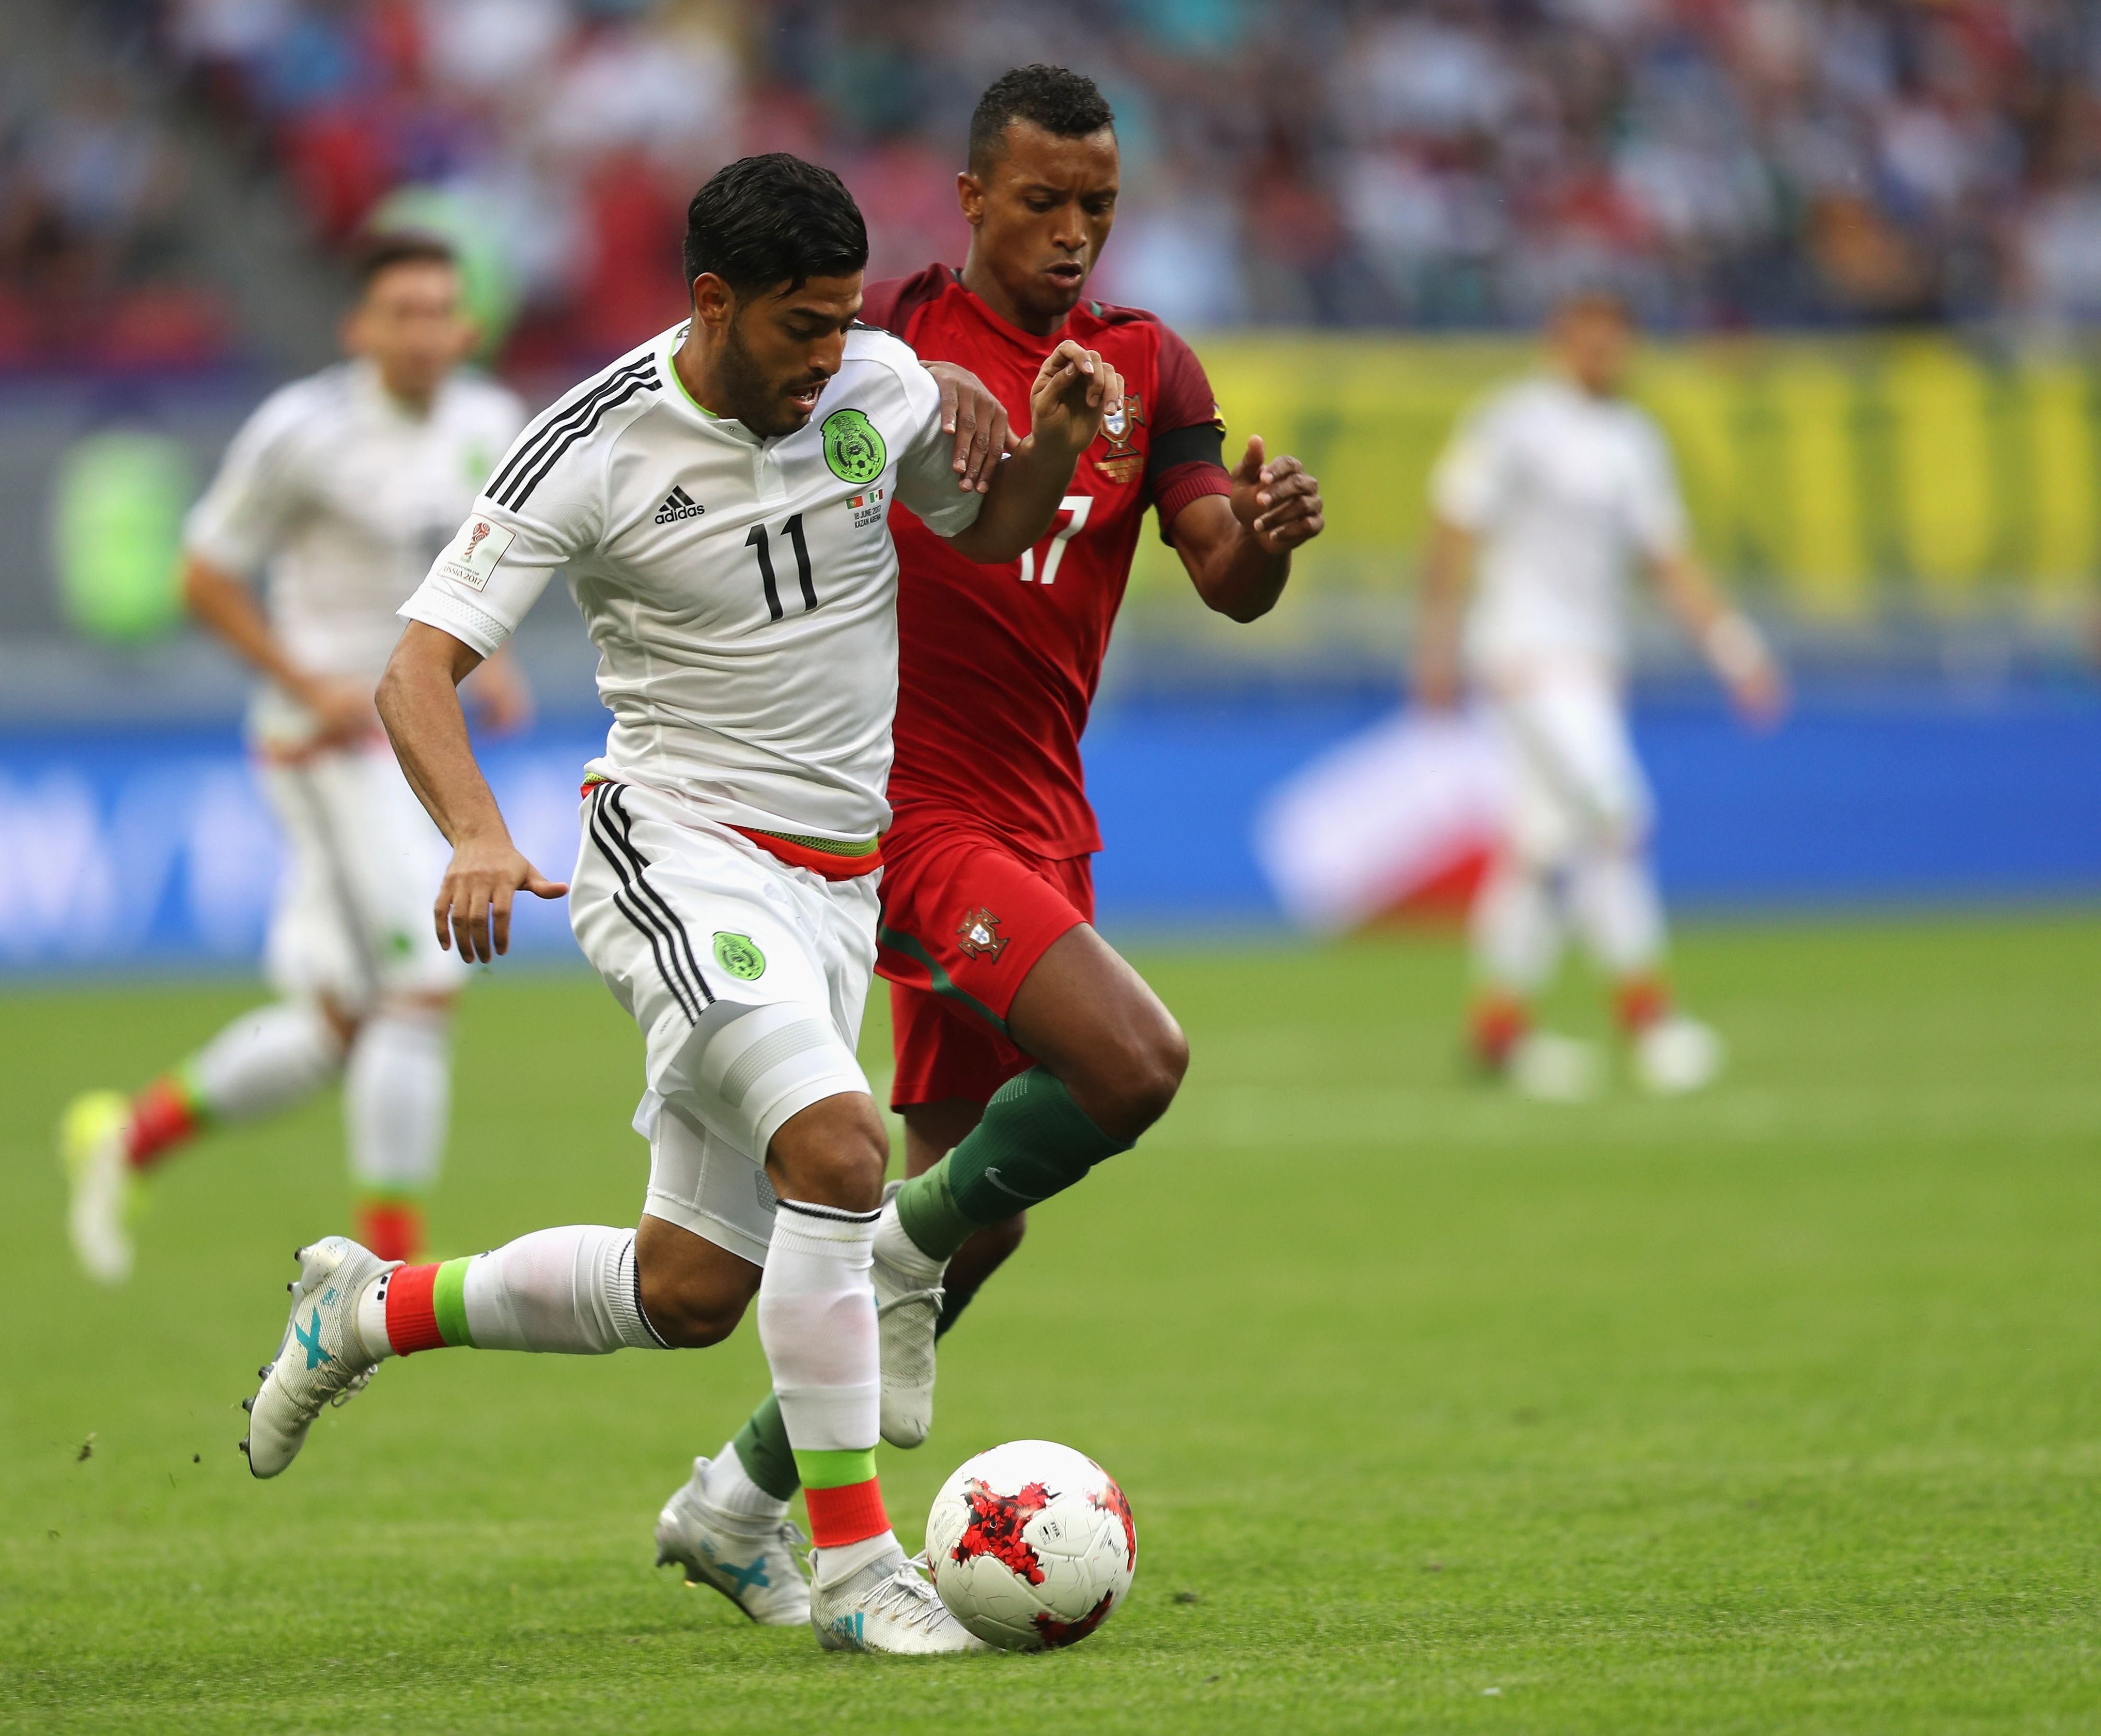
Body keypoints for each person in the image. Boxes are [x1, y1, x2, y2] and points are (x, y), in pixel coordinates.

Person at [236, 152, 1121, 1656]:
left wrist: (1041, 451)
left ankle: (369, 1309)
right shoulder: (585, 445)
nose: (828, 359)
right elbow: (415, 669)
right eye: (798, 329)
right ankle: (854, 1578)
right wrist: (471, 830)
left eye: (846, 322)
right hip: (676, 856)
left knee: (694, 1285)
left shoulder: (876, 387)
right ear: (713, 303)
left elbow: (976, 532)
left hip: (836, 881)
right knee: (843, 1151)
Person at [655, 64, 1327, 1625]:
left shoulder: (1150, 367)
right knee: (1133, 1065)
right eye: (1042, 202)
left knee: (981, 1215)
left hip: (1045, 814)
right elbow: (754, 423)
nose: (1075, 232)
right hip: (911, 810)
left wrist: (1267, 539)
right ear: (971, 200)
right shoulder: (885, 341)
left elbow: (1218, 567)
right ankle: (860, 1366)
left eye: (1098, 204)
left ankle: (732, 1498)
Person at [58, 232, 535, 1284]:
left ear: (465, 327)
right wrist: (299, 674)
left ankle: (127, 1141)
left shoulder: (491, 423)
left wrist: (486, 662)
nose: (421, 333)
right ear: (358, 329)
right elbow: (204, 573)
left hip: (412, 738)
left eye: (438, 313)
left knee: (336, 1028)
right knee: (422, 980)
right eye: (397, 313)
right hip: (323, 742)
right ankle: (392, 1267)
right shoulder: (302, 432)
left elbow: (473, 565)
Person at [1412, 288, 1787, 1100]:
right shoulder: (1514, 421)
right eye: (1588, 341)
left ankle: (1498, 1034)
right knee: (1616, 815)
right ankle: (1650, 1022)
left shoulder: (1631, 439)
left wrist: (1736, 649)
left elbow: (1666, 558)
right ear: (1559, 342)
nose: (1602, 356)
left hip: (1590, 667)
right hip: (1523, 659)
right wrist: (1436, 643)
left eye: (1614, 342)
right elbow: (1454, 523)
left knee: (1543, 845)